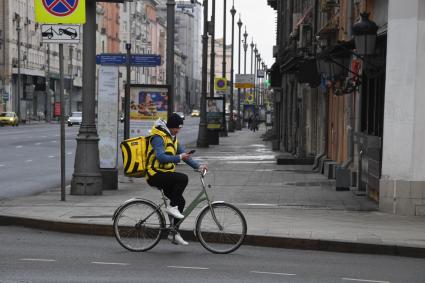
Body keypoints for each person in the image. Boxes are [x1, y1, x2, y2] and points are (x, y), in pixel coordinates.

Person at [145, 113, 208, 246]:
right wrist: (179, 157)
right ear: (171, 126)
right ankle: (171, 207)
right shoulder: (158, 137)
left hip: (164, 174)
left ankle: (173, 233)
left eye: (180, 128)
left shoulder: (172, 137)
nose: (178, 130)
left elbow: (184, 155)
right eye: (177, 128)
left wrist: (198, 166)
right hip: (154, 174)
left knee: (181, 201)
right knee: (183, 178)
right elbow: (161, 157)